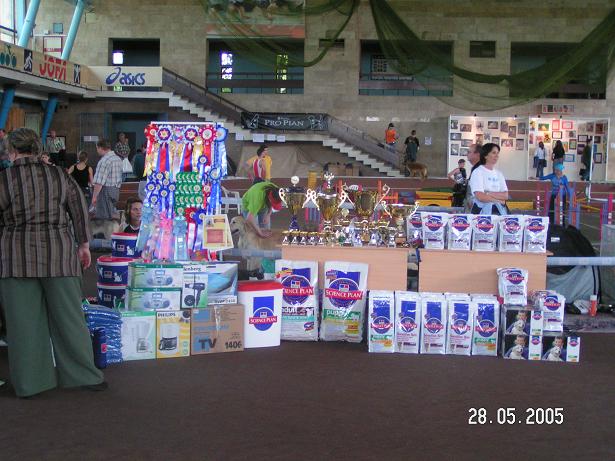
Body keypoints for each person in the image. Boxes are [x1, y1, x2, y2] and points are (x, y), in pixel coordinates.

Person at [0, 128, 105, 398]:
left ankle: (31, 383)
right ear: (37, 149)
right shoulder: (59, 175)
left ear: (12, 151)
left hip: (15, 258)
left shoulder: (5, 179)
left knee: (23, 324)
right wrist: (83, 245)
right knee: (70, 318)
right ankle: (84, 376)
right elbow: (79, 210)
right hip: (59, 254)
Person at [468, 143, 509, 215]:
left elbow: (505, 195)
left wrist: (488, 193)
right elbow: (480, 196)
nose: (496, 156)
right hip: (481, 213)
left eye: (497, 153)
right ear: (485, 155)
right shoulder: (478, 172)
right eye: (493, 153)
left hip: (499, 212)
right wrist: (499, 201)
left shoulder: (499, 174)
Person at [91, 139, 123, 221]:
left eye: (97, 148)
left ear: (100, 148)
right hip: (116, 190)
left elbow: (99, 182)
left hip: (105, 191)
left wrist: (94, 197)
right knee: (111, 217)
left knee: (104, 219)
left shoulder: (104, 161)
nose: (97, 150)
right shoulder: (118, 159)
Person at [463, 143, 481, 212]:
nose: (467, 154)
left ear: (477, 154)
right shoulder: (475, 168)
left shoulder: (480, 169)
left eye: (469, 152)